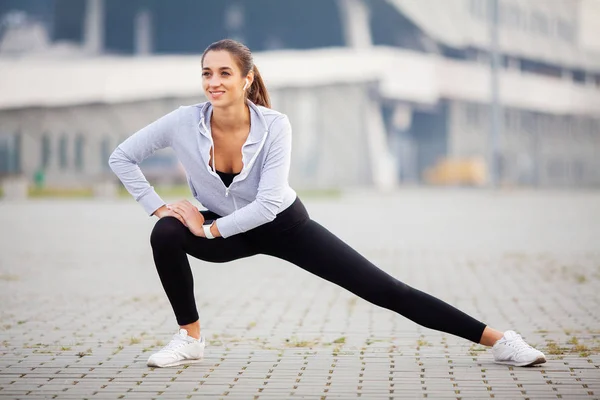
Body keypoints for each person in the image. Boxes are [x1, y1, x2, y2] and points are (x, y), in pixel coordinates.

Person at [109, 39, 546, 369]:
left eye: (224, 73)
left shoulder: (275, 126)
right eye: (206, 73)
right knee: (164, 233)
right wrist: (158, 206)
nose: (213, 83)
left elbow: (266, 204)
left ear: (246, 79)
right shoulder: (184, 121)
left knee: (385, 290)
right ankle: (190, 339)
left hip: (284, 226)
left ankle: (501, 341)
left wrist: (208, 230)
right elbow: (122, 156)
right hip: (224, 226)